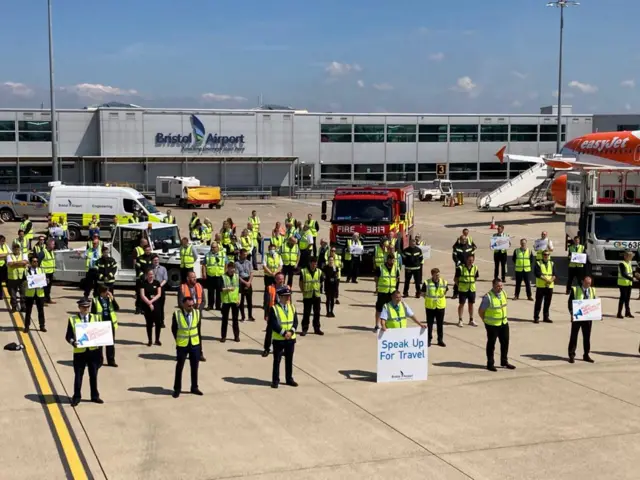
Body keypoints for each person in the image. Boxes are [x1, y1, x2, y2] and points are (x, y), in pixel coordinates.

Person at [65, 298, 103, 406]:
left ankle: (95, 396)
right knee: (78, 375)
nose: (85, 309)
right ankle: (76, 396)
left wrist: (100, 353)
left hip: (93, 352)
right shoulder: (73, 319)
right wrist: (73, 342)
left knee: (94, 375)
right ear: (79, 308)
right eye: (83, 307)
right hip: (80, 352)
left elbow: (101, 334)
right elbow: (68, 336)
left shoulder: (96, 318)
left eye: (87, 307)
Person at [479, 279, 515, 372]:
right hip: (492, 325)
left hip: (503, 323)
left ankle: (504, 361)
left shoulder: (503, 293)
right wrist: (485, 321)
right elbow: (481, 311)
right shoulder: (488, 297)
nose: (500, 288)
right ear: (493, 286)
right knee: (491, 344)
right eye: (498, 286)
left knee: (505, 343)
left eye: (501, 286)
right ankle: (490, 364)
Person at [172, 296, 203, 398]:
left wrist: (199, 346)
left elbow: (198, 329)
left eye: (192, 305)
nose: (191, 307)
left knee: (195, 367)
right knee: (179, 367)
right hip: (182, 345)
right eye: (189, 305)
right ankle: (177, 389)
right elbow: (174, 329)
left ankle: (194, 387)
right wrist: (178, 340)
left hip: (194, 344)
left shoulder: (197, 313)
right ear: (184, 305)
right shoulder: (177, 314)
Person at [269, 286, 298, 389]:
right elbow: (273, 324)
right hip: (279, 339)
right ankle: (275, 380)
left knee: (289, 360)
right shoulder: (274, 308)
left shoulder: (292, 307)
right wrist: (283, 333)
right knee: (277, 360)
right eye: (285, 296)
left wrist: (291, 332)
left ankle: (289, 379)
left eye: (288, 296)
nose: (288, 298)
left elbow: (295, 322)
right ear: (280, 297)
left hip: (290, 339)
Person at [567, 276, 596, 363]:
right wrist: (572, 313)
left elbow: (594, 303)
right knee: (574, 336)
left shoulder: (592, 290)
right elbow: (570, 303)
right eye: (587, 283)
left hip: (588, 317)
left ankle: (586, 354)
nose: (588, 285)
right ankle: (571, 354)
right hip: (578, 316)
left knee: (587, 337)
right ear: (582, 282)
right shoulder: (575, 290)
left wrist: (597, 314)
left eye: (589, 283)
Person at [178, 271, 206, 361]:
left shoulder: (199, 286)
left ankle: (199, 353)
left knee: (197, 335)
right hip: (186, 316)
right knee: (184, 335)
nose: (194, 279)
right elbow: (180, 302)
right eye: (192, 277)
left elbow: (203, 301)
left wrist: (198, 309)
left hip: (197, 315)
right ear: (188, 278)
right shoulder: (182, 287)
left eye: (195, 277)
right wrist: (189, 309)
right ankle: (182, 353)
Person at [91, 286, 119, 367]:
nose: (108, 293)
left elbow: (117, 308)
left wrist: (113, 299)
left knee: (110, 344)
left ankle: (111, 360)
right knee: (100, 344)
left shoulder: (110, 299)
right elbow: (93, 313)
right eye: (106, 291)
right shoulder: (95, 300)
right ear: (101, 292)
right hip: (100, 324)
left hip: (110, 323)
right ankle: (99, 360)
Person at [422, 268, 448, 347]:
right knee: (430, 324)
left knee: (440, 324)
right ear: (432, 275)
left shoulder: (444, 282)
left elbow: (445, 291)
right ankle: (428, 340)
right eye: (436, 275)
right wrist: (429, 299)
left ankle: (440, 340)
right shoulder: (427, 283)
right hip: (430, 307)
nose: (438, 276)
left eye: (438, 275)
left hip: (440, 306)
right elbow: (423, 293)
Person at [262, 272, 285, 357]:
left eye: (282, 279)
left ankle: (281, 349)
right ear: (275, 280)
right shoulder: (270, 288)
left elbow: (289, 302)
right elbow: (266, 302)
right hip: (272, 313)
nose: (281, 281)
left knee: (282, 332)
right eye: (279, 279)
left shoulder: (286, 288)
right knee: (269, 332)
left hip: (282, 313)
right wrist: (266, 314)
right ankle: (266, 349)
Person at [299, 256, 323, 335]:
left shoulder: (319, 272)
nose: (314, 266)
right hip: (307, 295)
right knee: (306, 313)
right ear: (309, 263)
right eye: (313, 264)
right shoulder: (304, 271)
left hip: (316, 295)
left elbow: (321, 281)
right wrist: (303, 291)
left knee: (317, 313)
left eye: (315, 264)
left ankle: (317, 328)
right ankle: (304, 329)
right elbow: (301, 283)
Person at [374, 254, 397, 332]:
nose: (392, 261)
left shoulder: (396, 268)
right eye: (390, 260)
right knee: (379, 308)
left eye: (393, 260)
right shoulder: (380, 267)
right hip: (382, 291)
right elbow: (376, 278)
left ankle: (387, 324)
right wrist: (377, 287)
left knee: (390, 309)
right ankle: (377, 325)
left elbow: (397, 278)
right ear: (387, 260)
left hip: (392, 292)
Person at [140, 269, 163, 346]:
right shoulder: (143, 283)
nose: (151, 276)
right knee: (149, 324)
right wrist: (149, 303)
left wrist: (152, 301)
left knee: (158, 323)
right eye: (149, 274)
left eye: (152, 274)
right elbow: (142, 295)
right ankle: (150, 340)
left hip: (156, 304)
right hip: (147, 305)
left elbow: (159, 294)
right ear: (147, 275)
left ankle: (157, 339)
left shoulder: (157, 283)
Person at [455, 254, 479, 327]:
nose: (471, 261)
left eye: (472, 260)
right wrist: (460, 286)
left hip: (471, 289)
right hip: (463, 290)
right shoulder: (460, 268)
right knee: (461, 304)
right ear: (466, 260)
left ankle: (471, 320)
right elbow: (455, 279)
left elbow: (475, 277)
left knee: (471, 304)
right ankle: (460, 320)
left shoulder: (475, 268)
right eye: (469, 260)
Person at [24, 255, 46, 333]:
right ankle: (26, 326)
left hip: (40, 294)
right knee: (28, 311)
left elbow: (44, 279)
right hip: (30, 293)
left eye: (37, 261)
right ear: (31, 262)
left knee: (41, 310)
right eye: (34, 261)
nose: (36, 263)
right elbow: (25, 280)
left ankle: (42, 326)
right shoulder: (27, 270)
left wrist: (46, 281)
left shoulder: (41, 270)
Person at [534, 250, 556, 323]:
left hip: (549, 286)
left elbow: (555, 274)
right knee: (538, 302)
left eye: (547, 255)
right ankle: (536, 317)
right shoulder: (538, 263)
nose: (546, 256)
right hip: (541, 286)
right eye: (545, 255)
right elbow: (538, 274)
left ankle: (546, 317)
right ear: (542, 255)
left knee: (547, 302)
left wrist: (551, 280)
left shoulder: (552, 263)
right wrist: (547, 280)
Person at [221, 262, 241, 342]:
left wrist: (239, 299)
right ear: (227, 268)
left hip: (235, 301)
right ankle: (223, 336)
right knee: (224, 319)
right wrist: (228, 289)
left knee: (235, 320)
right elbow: (220, 288)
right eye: (231, 268)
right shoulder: (223, 277)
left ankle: (236, 336)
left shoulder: (237, 276)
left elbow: (239, 289)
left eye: (233, 268)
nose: (232, 270)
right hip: (226, 301)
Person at [203, 242, 225, 311]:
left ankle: (218, 306)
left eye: (214, 247)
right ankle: (210, 305)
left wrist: (225, 272)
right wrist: (204, 273)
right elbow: (204, 264)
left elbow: (226, 263)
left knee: (219, 292)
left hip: (219, 276)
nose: (212, 248)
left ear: (217, 248)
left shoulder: (223, 254)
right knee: (210, 292)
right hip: (210, 276)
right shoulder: (207, 255)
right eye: (212, 247)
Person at [7, 242, 28, 312]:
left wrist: (15, 262)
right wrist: (20, 263)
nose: (16, 251)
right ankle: (14, 307)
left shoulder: (23, 255)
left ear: (19, 249)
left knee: (23, 293)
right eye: (15, 249)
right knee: (13, 294)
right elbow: (10, 264)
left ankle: (23, 306)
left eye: (17, 249)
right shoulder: (9, 255)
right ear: (12, 249)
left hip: (22, 277)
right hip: (12, 278)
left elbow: (25, 262)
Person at [235, 248, 255, 322]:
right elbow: (237, 276)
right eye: (244, 254)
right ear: (240, 254)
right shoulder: (236, 263)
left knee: (249, 300)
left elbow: (251, 273)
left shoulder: (249, 262)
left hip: (248, 280)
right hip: (241, 282)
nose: (245, 256)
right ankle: (243, 316)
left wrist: (249, 282)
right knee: (242, 300)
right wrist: (245, 282)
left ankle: (250, 316)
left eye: (246, 254)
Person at [134, 244, 153, 313]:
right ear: (144, 251)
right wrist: (142, 275)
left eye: (149, 250)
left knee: (148, 294)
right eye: (146, 250)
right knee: (139, 294)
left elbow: (154, 267)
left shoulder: (153, 257)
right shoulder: (140, 258)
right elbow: (138, 268)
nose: (148, 251)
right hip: (141, 279)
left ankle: (144, 308)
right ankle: (138, 308)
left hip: (150, 278)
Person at [151, 255, 168, 327]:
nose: (156, 261)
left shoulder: (163, 269)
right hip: (152, 289)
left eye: (157, 260)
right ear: (152, 261)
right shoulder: (150, 269)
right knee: (153, 306)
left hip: (161, 289)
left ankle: (161, 321)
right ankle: (152, 321)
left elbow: (165, 279)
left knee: (161, 307)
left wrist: (159, 286)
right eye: (155, 260)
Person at [38, 239, 57, 304]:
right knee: (44, 288)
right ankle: (43, 300)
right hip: (45, 273)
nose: (54, 245)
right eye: (53, 244)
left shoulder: (51, 252)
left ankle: (48, 299)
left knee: (49, 287)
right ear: (48, 245)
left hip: (51, 272)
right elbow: (38, 262)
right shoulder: (43, 252)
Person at [617, 250, 635, 318]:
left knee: (627, 299)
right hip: (623, 284)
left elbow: (630, 272)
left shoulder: (629, 263)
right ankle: (619, 313)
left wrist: (635, 275)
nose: (631, 257)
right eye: (629, 256)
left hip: (629, 283)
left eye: (631, 256)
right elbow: (623, 274)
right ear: (625, 256)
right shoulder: (622, 264)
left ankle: (627, 312)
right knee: (622, 298)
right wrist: (631, 278)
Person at [0, 235, 9, 300]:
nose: (3, 242)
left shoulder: (6, 246)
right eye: (2, 241)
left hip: (5, 266)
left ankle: (8, 294)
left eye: (4, 240)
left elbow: (10, 253)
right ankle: (0, 295)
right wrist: (6, 255)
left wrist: (3, 255)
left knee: (7, 280)